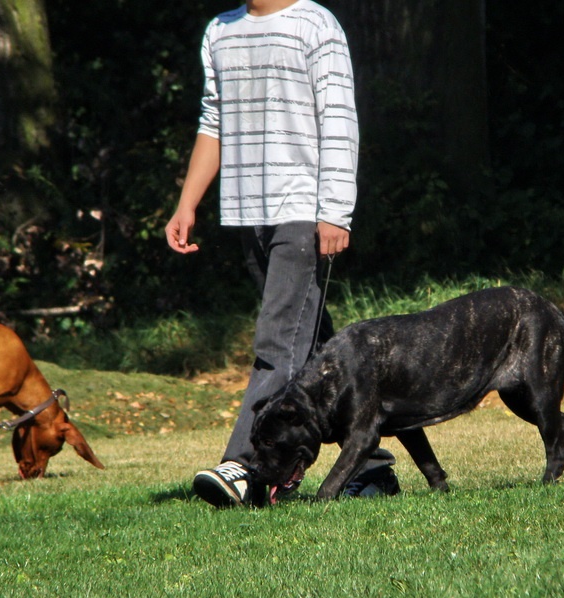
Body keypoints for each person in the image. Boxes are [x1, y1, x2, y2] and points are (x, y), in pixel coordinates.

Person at [165, 0, 399, 508]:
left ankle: (245, 466)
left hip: (302, 209)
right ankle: (372, 466)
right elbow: (214, 122)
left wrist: (336, 210)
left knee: (278, 344)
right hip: (248, 213)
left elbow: (339, 120)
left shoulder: (315, 25)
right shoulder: (220, 31)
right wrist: (187, 202)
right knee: (312, 343)